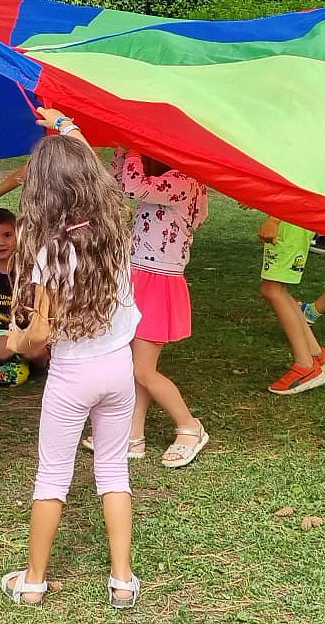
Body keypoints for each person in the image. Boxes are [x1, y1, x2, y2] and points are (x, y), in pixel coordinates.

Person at [1, 109, 141, 608]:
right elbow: (94, 169)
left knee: (52, 477)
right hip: (119, 369)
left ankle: (33, 581)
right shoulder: (115, 230)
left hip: (73, 375)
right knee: (114, 472)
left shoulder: (51, 253)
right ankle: (121, 580)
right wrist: (64, 125)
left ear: (41, 192)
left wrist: (14, 342)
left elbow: (39, 335)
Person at [81, 147, 210, 467]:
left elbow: (133, 186)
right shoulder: (161, 179)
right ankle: (132, 434)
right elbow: (115, 184)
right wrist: (122, 150)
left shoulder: (185, 182)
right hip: (139, 276)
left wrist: (135, 146)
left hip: (160, 282)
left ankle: (190, 426)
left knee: (142, 369)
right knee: (134, 362)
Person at [262, 218, 325, 395]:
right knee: (277, 290)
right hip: (293, 226)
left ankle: (305, 366)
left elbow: (295, 198)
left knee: (272, 290)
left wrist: (273, 220)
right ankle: (316, 354)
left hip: (288, 227)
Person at [0, 207, 48, 385]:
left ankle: (40, 367)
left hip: (24, 332)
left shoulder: (29, 269)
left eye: (7, 235)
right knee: (2, 349)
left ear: (18, 235)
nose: (1, 242)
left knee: (35, 352)